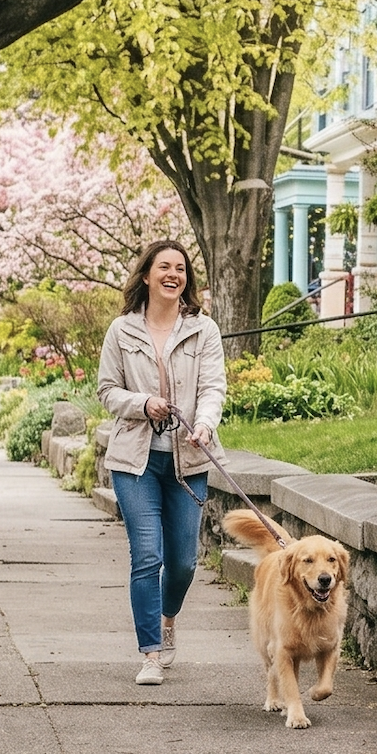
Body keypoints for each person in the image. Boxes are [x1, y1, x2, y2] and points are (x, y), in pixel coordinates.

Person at [97, 239, 226, 685]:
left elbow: (213, 387)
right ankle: (150, 653)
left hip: (188, 460)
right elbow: (107, 391)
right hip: (135, 461)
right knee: (147, 555)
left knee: (184, 562)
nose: (174, 275)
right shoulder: (121, 330)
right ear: (147, 275)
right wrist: (142, 402)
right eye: (164, 267)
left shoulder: (202, 330)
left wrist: (205, 424)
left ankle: (169, 619)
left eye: (181, 269)